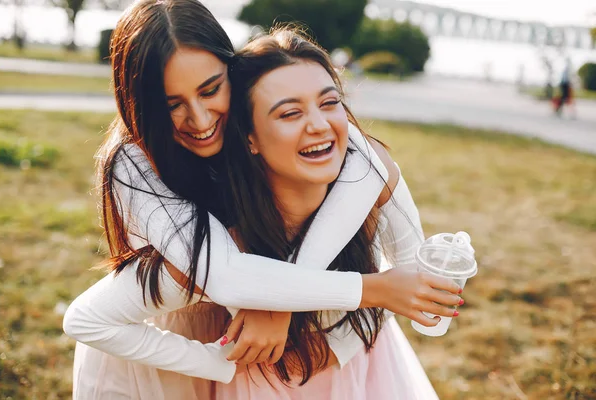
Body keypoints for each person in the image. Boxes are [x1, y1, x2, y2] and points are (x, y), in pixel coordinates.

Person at [63, 0, 463, 398]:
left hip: (269, 341)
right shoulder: (133, 167)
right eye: (172, 105)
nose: (201, 120)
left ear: (232, 74)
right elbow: (227, 277)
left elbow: (368, 167)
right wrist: (244, 340)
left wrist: (279, 310)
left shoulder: (300, 134)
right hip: (167, 348)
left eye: (210, 90)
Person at [216, 27, 446, 399]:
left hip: (361, 368)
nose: (319, 125)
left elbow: (412, 279)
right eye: (290, 113)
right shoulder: (225, 218)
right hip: (256, 381)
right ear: (250, 139)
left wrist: (338, 345)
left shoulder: (372, 176)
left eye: (329, 102)